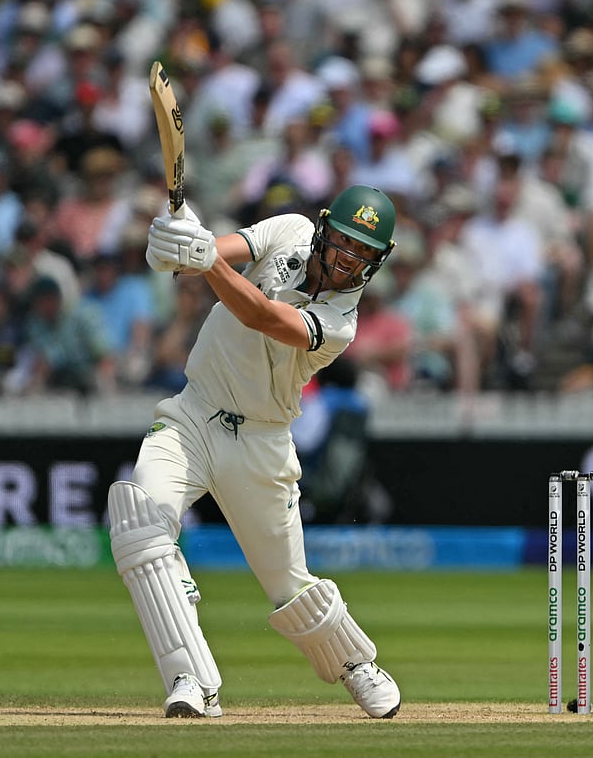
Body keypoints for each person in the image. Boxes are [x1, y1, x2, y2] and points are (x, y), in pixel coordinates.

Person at [108, 185, 402, 720]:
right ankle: (191, 680)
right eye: (343, 243)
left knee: (290, 587)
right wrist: (175, 248)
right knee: (138, 523)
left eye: (364, 253)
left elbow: (264, 317)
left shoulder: (341, 322)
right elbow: (216, 252)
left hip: (262, 441)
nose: (348, 261)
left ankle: (356, 664)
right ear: (323, 229)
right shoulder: (289, 228)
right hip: (192, 414)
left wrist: (204, 263)